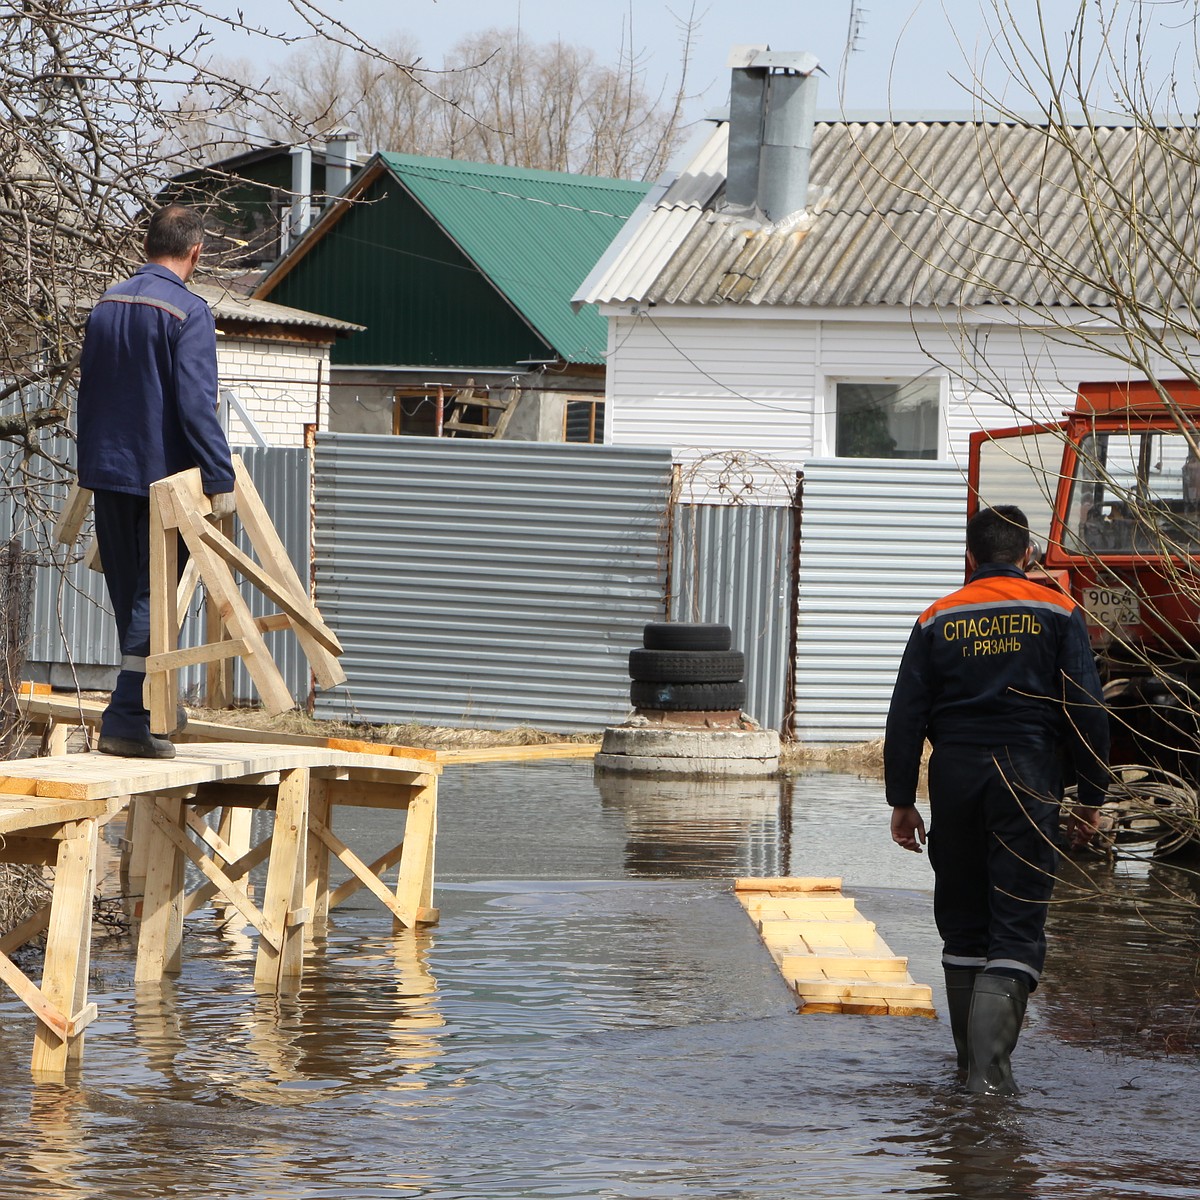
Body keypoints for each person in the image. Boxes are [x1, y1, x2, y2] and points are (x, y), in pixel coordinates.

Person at [884, 504, 1109, 1095]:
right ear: (1029, 555)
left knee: (963, 926)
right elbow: (1086, 706)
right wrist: (1091, 794)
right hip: (1028, 774)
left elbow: (905, 715)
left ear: (970, 557)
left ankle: (966, 1075)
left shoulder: (936, 617)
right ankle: (991, 1084)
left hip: (955, 776)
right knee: (1016, 921)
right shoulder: (1059, 610)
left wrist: (902, 798)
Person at [76, 204, 235, 759]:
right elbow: (197, 405)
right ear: (195, 252)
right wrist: (220, 476)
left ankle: (149, 700)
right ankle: (127, 715)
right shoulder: (188, 312)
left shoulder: (106, 303)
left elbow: (90, 389)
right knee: (156, 596)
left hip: (105, 470)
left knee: (132, 594)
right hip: (159, 479)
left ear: (148, 246)